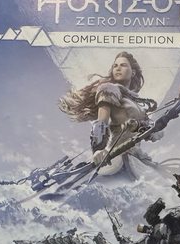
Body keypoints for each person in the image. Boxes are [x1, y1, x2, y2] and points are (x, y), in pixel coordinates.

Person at [58, 51, 160, 180]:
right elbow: (101, 122)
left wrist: (155, 132)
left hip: (138, 158)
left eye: (123, 65)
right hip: (115, 158)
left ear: (133, 72)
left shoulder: (135, 102)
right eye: (115, 65)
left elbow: (146, 129)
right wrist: (98, 149)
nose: (117, 68)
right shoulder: (109, 89)